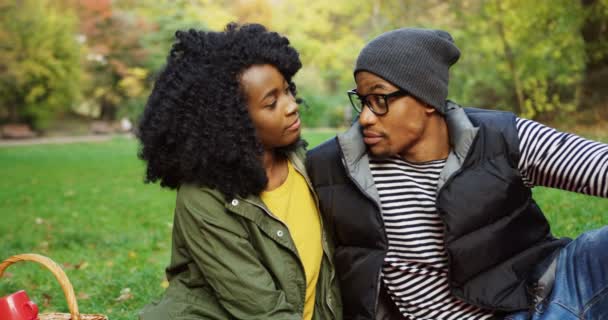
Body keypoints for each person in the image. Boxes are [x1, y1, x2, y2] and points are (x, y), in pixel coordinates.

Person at [306, 27, 608, 320]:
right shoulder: (335, 168)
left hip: (553, 287)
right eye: (362, 100)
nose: (366, 118)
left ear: (426, 98)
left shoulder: (499, 138)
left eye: (379, 99)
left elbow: (599, 165)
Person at [137, 23, 341, 320]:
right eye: (271, 102)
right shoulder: (203, 199)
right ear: (230, 121)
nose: (291, 106)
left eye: (287, 91)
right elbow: (261, 309)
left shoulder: (307, 165)